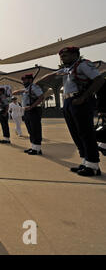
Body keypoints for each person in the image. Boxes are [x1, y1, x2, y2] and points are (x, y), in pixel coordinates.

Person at [54, 47, 104, 176]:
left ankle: (93, 165)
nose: (62, 58)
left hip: (80, 101)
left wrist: (84, 97)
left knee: (86, 133)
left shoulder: (83, 65)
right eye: (61, 56)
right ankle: (85, 161)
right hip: (68, 102)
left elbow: (99, 80)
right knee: (75, 133)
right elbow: (52, 75)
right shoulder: (67, 69)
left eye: (65, 55)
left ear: (75, 55)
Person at [21, 74, 45, 155]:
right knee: (30, 130)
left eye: (25, 80)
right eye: (23, 80)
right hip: (27, 111)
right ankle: (33, 147)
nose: (23, 81)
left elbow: (41, 97)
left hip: (34, 110)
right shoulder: (26, 89)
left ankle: (37, 149)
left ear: (30, 80)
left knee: (35, 129)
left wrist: (31, 107)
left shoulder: (34, 87)